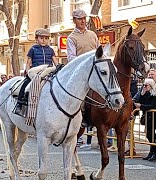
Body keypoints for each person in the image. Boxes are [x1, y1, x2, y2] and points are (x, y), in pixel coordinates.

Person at [67, 9, 100, 149]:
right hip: (82, 73)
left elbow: (99, 51)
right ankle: (81, 119)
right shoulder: (71, 38)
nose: (83, 21)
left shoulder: (93, 34)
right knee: (80, 98)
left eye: (84, 18)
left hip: (96, 71)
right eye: (80, 19)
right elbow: (71, 58)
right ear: (74, 20)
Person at [14, 28, 58, 114]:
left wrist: (59, 67)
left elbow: (55, 61)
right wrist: (27, 71)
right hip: (36, 71)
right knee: (26, 83)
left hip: (48, 71)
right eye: (41, 38)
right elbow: (28, 62)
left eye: (46, 38)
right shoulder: (33, 49)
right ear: (36, 39)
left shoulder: (50, 50)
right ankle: (20, 103)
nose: (44, 40)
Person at [134, 78, 156, 161]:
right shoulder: (146, 93)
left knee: (153, 135)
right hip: (148, 117)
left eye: (146, 85)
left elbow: (153, 106)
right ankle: (152, 152)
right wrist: (142, 94)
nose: (144, 87)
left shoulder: (155, 94)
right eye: (144, 85)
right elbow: (139, 101)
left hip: (155, 117)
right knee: (149, 135)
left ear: (151, 85)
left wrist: (141, 106)